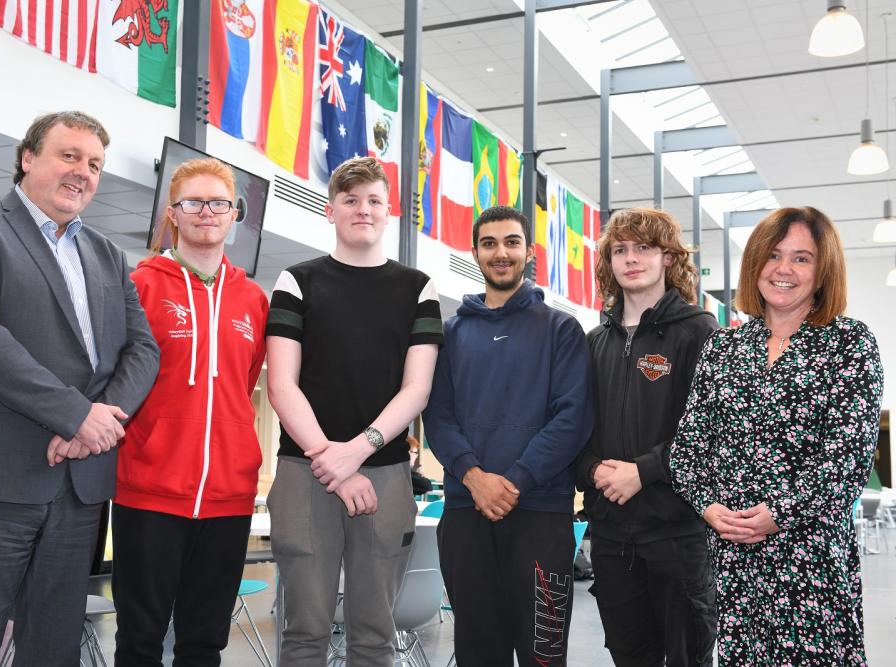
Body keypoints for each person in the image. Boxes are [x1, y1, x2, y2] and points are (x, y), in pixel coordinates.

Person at [0, 111, 160, 666]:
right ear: (28, 158)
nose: (82, 173)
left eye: (94, 164)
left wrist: (98, 422)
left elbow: (142, 350)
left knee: (53, 651)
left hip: (77, 489)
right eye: (69, 156)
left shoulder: (106, 254)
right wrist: (77, 416)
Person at [670, 207, 884, 666]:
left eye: (802, 258)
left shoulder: (849, 344)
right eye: (773, 255)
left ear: (823, 270)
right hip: (734, 559)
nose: (783, 269)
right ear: (755, 265)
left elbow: (846, 459)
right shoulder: (724, 348)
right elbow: (688, 451)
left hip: (811, 560)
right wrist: (710, 507)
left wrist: (778, 513)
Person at [265, 156, 442, 665]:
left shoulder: (417, 288)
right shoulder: (296, 281)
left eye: (373, 201)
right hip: (306, 471)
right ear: (330, 210)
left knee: (375, 632)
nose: (362, 210)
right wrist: (334, 463)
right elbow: (281, 385)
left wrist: (359, 451)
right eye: (350, 200)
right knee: (305, 630)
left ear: (389, 213)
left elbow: (416, 390)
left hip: (385, 474)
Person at [110, 158, 269, 665]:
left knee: (205, 644)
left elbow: (243, 386)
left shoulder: (253, 300)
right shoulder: (140, 285)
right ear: (173, 213)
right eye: (193, 202)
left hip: (228, 497)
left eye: (218, 202)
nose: (207, 211)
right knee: (139, 640)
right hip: (148, 491)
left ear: (233, 214)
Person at [422, 205, 594, 666]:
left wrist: (514, 480)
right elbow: (438, 416)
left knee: (543, 655)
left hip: (540, 514)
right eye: (490, 243)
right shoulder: (452, 333)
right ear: (475, 252)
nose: (501, 253)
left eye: (511, 242)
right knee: (477, 653)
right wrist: (474, 477)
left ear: (528, 252)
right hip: (465, 514)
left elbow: (572, 418)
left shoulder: (561, 329)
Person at [576, 208, 717, 666]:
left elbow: (712, 429)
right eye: (620, 250)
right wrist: (593, 469)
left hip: (677, 531)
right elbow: (574, 426)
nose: (631, 258)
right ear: (609, 263)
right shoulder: (594, 340)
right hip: (612, 535)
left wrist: (644, 471)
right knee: (630, 657)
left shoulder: (699, 332)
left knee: (686, 657)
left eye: (644, 248)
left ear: (668, 260)